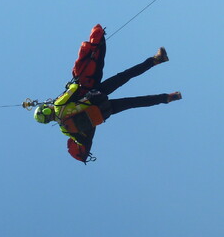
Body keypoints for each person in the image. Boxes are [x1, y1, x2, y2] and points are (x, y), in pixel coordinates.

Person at [33, 24, 181, 163]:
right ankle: (156, 60)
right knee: (125, 76)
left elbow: (83, 136)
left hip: (102, 112)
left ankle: (167, 98)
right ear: (46, 110)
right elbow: (73, 89)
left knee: (133, 102)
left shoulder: (64, 129)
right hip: (96, 96)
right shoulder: (58, 105)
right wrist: (71, 84)